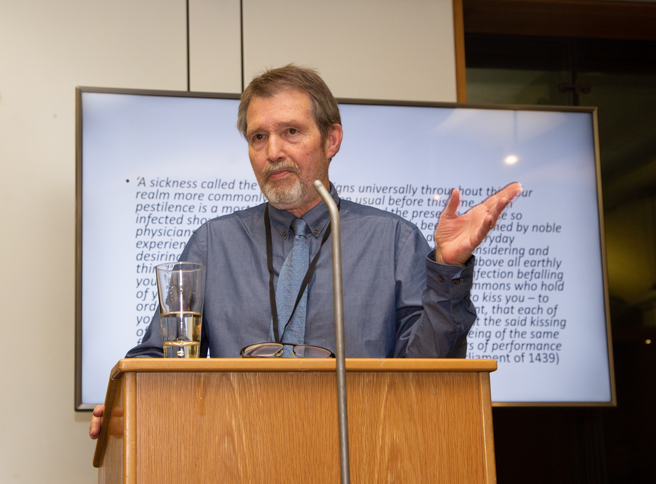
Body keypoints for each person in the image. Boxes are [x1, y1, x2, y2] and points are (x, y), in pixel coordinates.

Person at [89, 65, 521, 438]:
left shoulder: (392, 239)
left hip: (367, 453)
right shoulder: (213, 243)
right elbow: (164, 354)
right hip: (237, 461)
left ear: (331, 139)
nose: (273, 152)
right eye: (259, 137)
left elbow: (428, 367)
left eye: (290, 132)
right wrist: (128, 396)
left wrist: (448, 266)